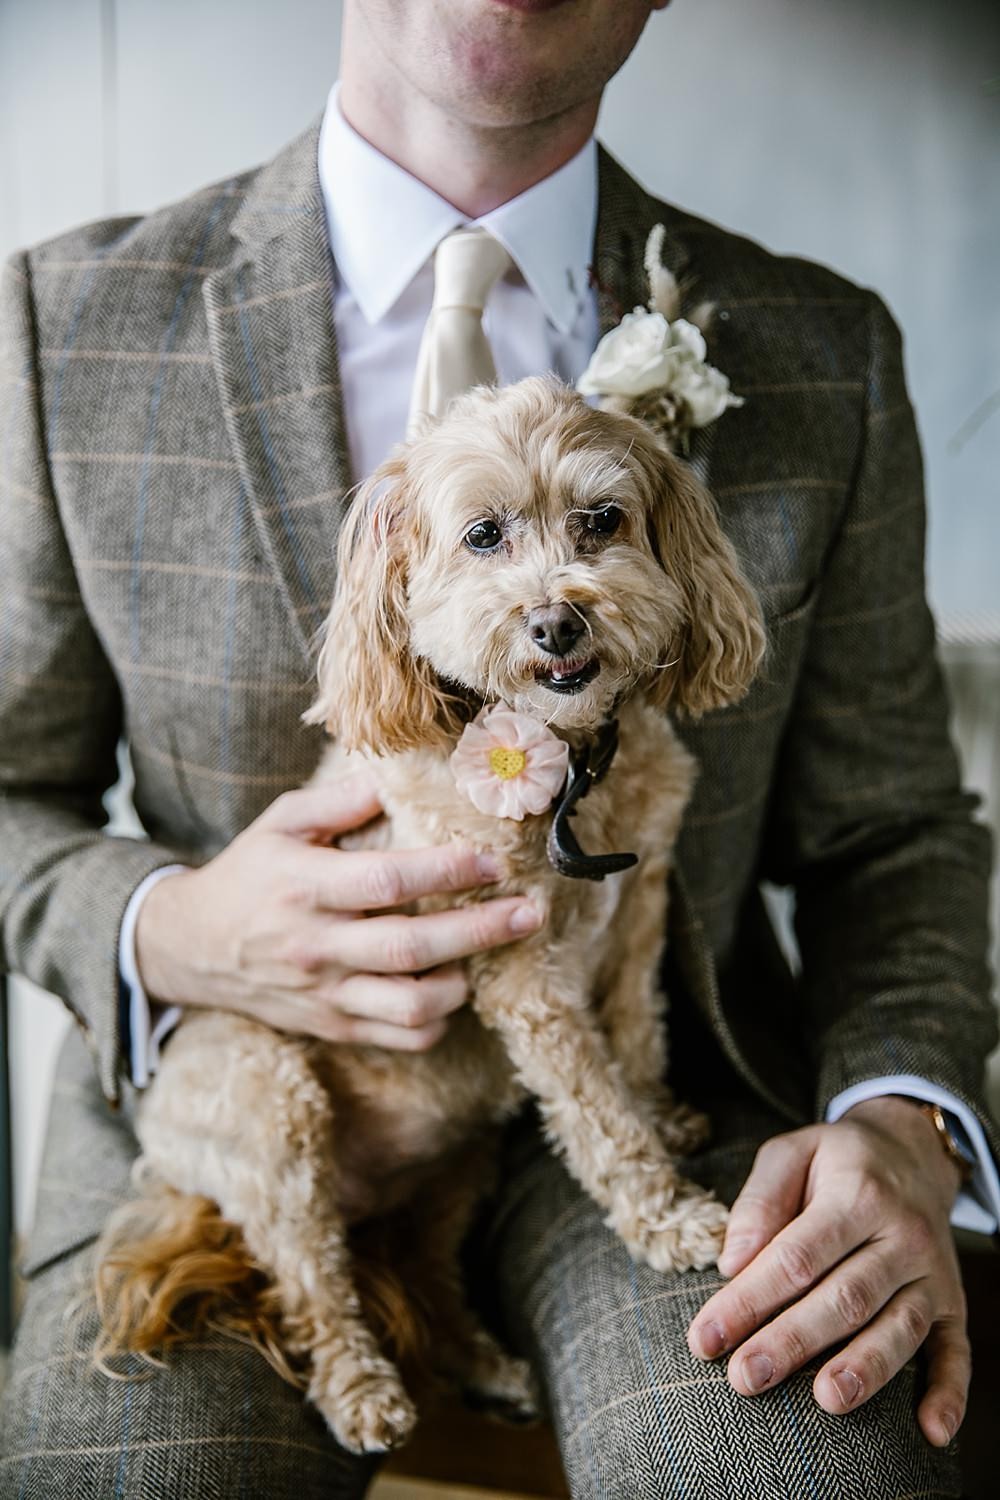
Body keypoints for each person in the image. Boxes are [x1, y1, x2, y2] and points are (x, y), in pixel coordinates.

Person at [1, 1, 997, 1495]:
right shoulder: (64, 319)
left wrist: (909, 1118)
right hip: (237, 1113)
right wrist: (172, 927)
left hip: (682, 1099)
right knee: (131, 1472)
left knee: (810, 1466)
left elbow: (892, 836)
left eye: (596, 523)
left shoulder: (821, 349)